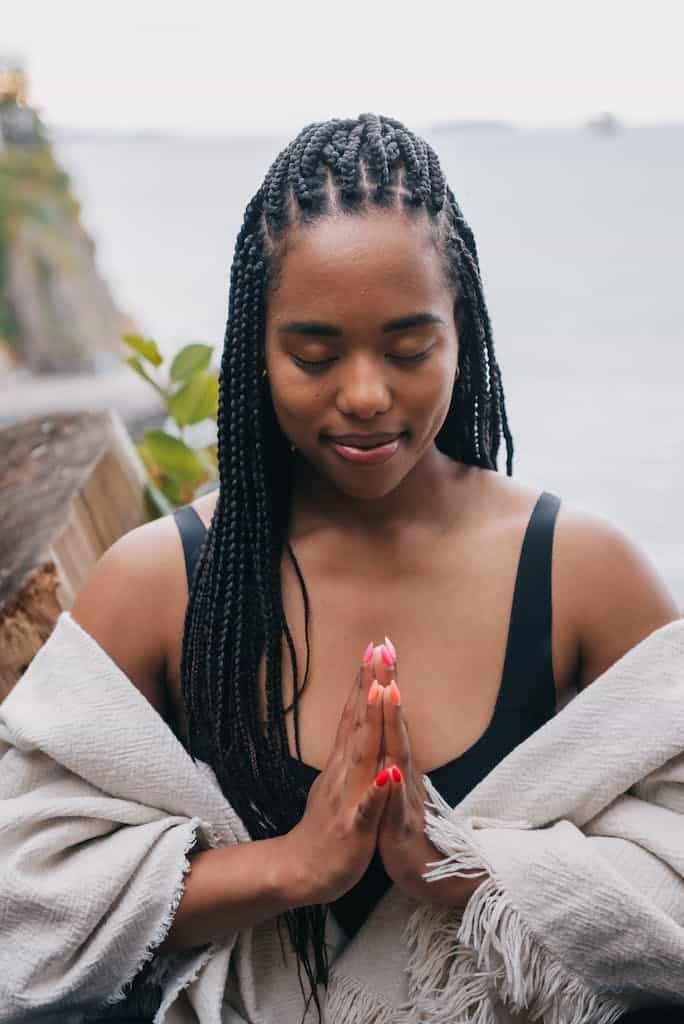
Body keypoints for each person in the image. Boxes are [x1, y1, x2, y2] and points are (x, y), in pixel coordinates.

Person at [69, 113, 680, 1020]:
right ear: (255, 349)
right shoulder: (159, 585)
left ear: (462, 332)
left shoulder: (583, 576)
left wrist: (453, 872)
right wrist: (292, 866)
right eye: (313, 355)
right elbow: (33, 897)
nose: (364, 395)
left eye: (408, 350)